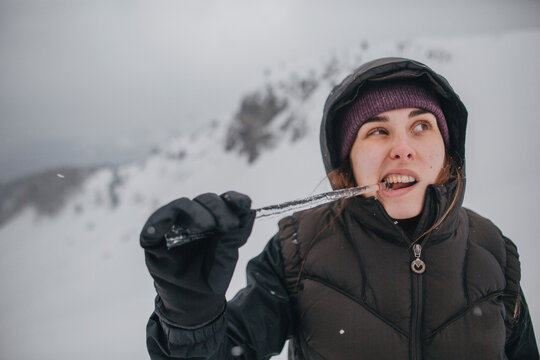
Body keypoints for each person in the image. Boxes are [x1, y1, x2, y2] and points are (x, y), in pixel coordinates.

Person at [140, 57, 539, 359]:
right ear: (347, 166)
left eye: (421, 126)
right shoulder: (297, 250)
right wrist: (191, 317)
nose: (403, 147)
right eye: (377, 131)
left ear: (447, 151)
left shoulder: (494, 253)